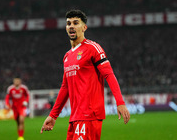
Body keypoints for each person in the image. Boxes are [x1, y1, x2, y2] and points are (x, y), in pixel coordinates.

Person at [40, 10, 130, 140]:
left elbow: (109, 75)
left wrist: (120, 102)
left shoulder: (93, 48)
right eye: (68, 23)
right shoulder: (67, 56)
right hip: (75, 117)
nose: (71, 26)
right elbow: (65, 87)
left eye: (76, 23)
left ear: (84, 27)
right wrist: (53, 115)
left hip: (89, 115)